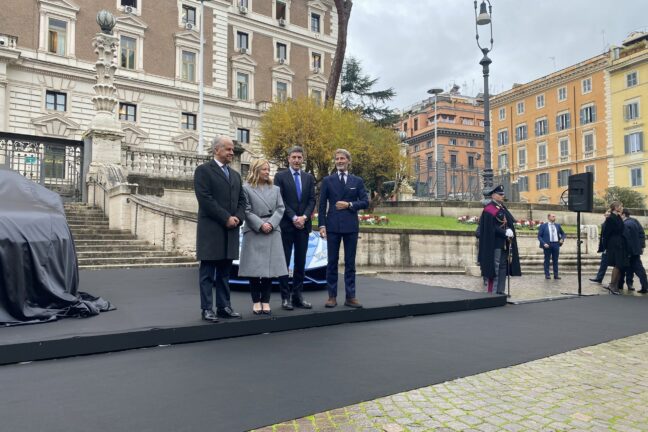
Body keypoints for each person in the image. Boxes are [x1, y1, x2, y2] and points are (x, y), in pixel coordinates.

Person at [194, 136, 245, 322]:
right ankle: (207, 309)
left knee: (225, 274)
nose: (232, 152)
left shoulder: (236, 175)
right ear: (217, 150)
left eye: (232, 150)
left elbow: (242, 200)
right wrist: (226, 218)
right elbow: (205, 199)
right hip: (211, 231)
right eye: (228, 149)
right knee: (207, 273)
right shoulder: (203, 171)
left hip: (230, 231)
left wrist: (238, 217)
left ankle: (224, 306)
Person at [318, 149, 368, 308]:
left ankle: (350, 296)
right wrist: (321, 225)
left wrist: (350, 205)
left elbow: (365, 202)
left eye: (342, 158)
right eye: (337, 159)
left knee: (350, 263)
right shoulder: (327, 180)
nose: (339, 161)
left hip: (351, 226)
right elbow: (321, 205)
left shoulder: (357, 181)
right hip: (332, 226)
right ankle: (332, 296)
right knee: (332, 262)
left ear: (348, 161)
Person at [238, 159, 288, 315]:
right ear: (256, 170)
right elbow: (245, 210)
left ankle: (265, 301)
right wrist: (260, 224)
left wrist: (271, 224)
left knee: (269, 269)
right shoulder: (246, 188)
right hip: (254, 230)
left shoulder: (275, 189)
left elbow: (281, 208)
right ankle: (256, 301)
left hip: (272, 230)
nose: (267, 172)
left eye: (268, 169)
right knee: (254, 269)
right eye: (264, 169)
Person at [274, 146, 316, 310]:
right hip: (286, 225)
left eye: (299, 157)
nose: (297, 160)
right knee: (284, 262)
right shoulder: (280, 176)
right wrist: (293, 217)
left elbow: (312, 200)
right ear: (288, 159)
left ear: (303, 159)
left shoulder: (308, 178)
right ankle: (285, 298)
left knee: (300, 262)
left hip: (303, 226)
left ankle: (298, 296)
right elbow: (280, 200)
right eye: (294, 157)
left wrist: (304, 217)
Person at [477, 185, 521, 294]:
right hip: (494, 243)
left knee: (503, 267)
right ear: (493, 195)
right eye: (500, 194)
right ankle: (493, 292)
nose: (502, 196)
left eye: (502, 194)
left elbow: (510, 221)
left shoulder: (501, 207)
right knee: (495, 268)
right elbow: (491, 227)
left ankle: (501, 290)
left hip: (505, 243)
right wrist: (504, 232)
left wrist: (510, 230)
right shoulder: (489, 209)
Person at [600, 201, 628, 295]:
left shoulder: (618, 217)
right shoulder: (610, 218)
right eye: (621, 206)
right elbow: (606, 234)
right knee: (618, 264)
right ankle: (612, 285)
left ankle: (614, 285)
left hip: (620, 243)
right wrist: (606, 247)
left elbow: (622, 229)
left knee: (620, 264)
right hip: (614, 244)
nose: (622, 207)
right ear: (616, 207)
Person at [620, 208, 648, 293]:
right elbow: (642, 234)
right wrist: (641, 246)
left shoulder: (624, 224)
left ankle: (620, 285)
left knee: (622, 268)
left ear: (623, 214)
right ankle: (644, 286)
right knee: (639, 269)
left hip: (628, 251)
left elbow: (627, 239)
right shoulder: (634, 221)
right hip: (636, 250)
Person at [537, 213, 566, 280]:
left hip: (556, 244)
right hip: (547, 245)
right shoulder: (543, 226)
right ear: (549, 217)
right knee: (547, 260)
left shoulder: (558, 225)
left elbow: (563, 234)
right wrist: (544, 243)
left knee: (555, 260)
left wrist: (562, 239)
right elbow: (539, 236)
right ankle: (547, 275)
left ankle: (556, 275)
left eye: (555, 216)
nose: (554, 217)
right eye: (553, 216)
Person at [590, 210, 610, 284]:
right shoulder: (605, 223)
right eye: (606, 214)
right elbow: (603, 236)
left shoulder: (612, 223)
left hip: (610, 247)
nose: (607, 216)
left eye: (608, 215)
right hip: (605, 247)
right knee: (603, 263)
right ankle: (599, 278)